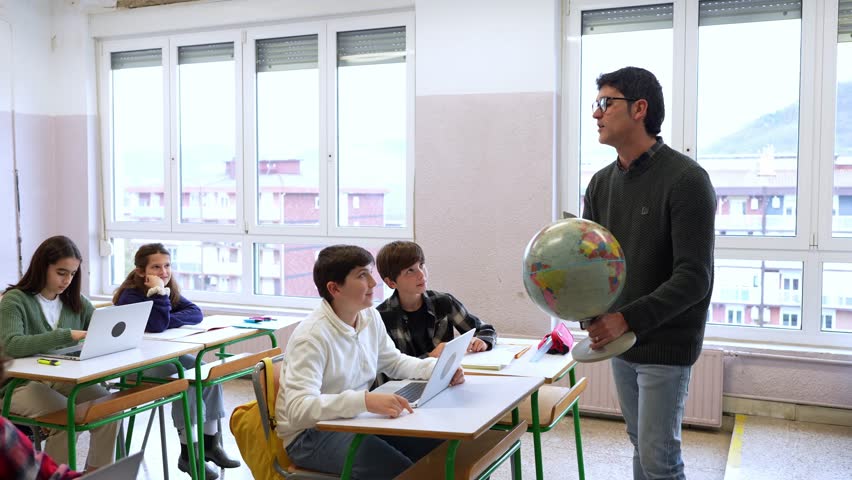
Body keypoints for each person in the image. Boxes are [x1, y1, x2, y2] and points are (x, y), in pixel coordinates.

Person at [582, 66, 716, 480]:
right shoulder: (600, 185)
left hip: (665, 341)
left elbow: (694, 277)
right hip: (621, 340)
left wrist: (626, 318)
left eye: (606, 103)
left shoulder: (686, 180)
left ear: (639, 109)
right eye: (596, 103)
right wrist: (588, 313)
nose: (596, 113)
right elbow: (592, 266)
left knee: (659, 458)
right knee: (641, 444)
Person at [276, 245, 463, 479]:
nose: (374, 283)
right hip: (310, 435)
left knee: (438, 446)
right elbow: (298, 410)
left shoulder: (369, 315)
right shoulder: (311, 337)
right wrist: (364, 401)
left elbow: (394, 362)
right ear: (334, 288)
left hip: (356, 418)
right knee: (401, 471)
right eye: (362, 275)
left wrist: (437, 369)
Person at [112, 243, 240, 480]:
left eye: (167, 266)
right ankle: (188, 453)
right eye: (156, 267)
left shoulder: (169, 289)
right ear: (141, 271)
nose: (164, 272)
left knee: (206, 372)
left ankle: (210, 444)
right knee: (185, 379)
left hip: (165, 354)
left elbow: (194, 312)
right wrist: (159, 295)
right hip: (136, 364)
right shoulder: (131, 296)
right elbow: (158, 325)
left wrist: (166, 314)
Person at [0, 235, 119, 472]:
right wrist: (67, 335)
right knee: (66, 418)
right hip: (19, 384)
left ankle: (98, 475)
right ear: (42, 267)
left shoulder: (76, 301)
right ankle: (56, 476)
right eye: (61, 272)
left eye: (72, 274)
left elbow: (103, 329)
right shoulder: (15, 301)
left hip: (60, 379)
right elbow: (11, 345)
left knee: (110, 409)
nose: (67, 280)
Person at [376, 241, 496, 359]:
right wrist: (430, 357)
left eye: (421, 265)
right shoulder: (381, 317)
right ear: (391, 282)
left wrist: (481, 341)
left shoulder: (443, 301)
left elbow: (484, 329)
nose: (421, 274)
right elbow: (389, 367)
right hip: (413, 373)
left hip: (450, 372)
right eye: (410, 271)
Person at [0, 345, 82, 480]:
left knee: (106, 407)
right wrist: (69, 335)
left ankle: (100, 469)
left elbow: (41, 470)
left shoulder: (3, 432)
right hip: (19, 384)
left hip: (52, 374)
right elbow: (14, 344)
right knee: (70, 418)